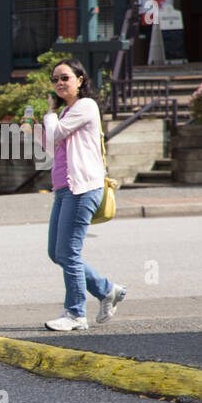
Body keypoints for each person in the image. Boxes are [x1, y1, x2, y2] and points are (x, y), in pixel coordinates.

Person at [39, 58, 125, 331]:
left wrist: (50, 112)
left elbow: (57, 134)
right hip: (65, 189)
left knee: (69, 253)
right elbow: (50, 145)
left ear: (80, 80)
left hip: (83, 188)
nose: (59, 83)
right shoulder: (66, 113)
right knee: (57, 252)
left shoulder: (86, 106)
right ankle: (107, 290)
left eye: (64, 78)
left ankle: (76, 314)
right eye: (55, 80)